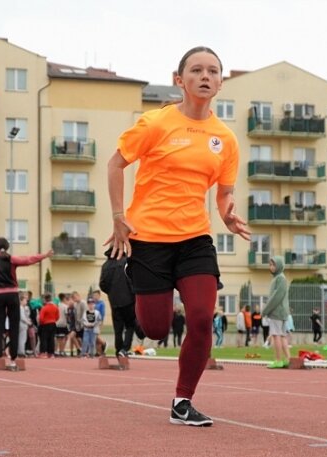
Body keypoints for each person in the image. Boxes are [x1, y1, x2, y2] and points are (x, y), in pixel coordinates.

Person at [106, 46, 249, 427]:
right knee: (154, 328)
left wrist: (227, 214)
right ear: (179, 79)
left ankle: (182, 401)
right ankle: (132, 279)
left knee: (202, 318)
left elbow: (223, 191)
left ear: (221, 81)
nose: (206, 76)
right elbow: (115, 164)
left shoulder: (225, 139)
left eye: (213, 71)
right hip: (149, 237)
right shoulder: (155, 123)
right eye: (197, 70)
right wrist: (119, 217)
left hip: (194, 240)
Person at [0, 237, 52, 370]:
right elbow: (28, 260)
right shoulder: (11, 259)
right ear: (7, 247)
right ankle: (13, 360)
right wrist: (44, 255)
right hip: (12, 295)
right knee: (14, 327)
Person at [99, 250, 139, 358]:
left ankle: (118, 350)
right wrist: (133, 293)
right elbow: (132, 279)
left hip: (114, 301)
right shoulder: (126, 262)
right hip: (128, 300)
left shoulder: (105, 265)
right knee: (130, 325)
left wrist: (111, 292)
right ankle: (124, 349)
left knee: (118, 328)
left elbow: (102, 284)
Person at [262, 256, 290, 368]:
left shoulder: (280, 278)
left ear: (278, 265)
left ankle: (278, 359)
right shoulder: (278, 278)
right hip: (281, 311)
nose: (271, 267)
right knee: (282, 336)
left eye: (273, 265)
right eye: (270, 264)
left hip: (277, 311)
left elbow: (276, 297)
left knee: (276, 335)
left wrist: (265, 310)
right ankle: (288, 359)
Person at [37, 293, 58, 358]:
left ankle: (43, 352)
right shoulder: (55, 307)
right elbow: (57, 316)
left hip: (45, 324)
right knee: (51, 339)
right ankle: (51, 353)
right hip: (53, 323)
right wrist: (54, 320)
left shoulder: (44, 308)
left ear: (45, 300)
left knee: (44, 339)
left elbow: (41, 318)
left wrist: (41, 323)